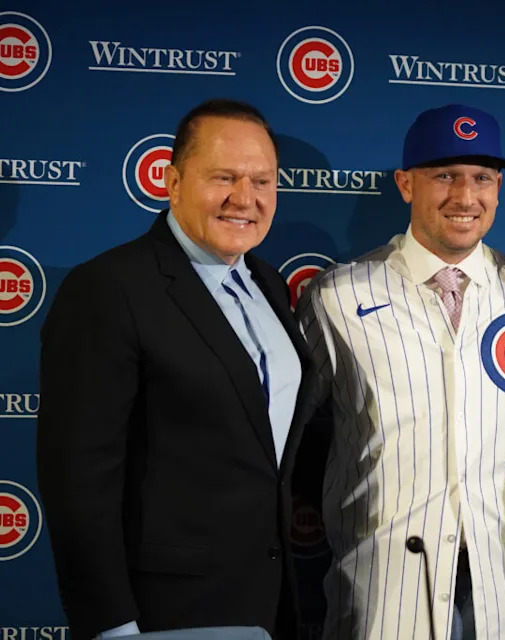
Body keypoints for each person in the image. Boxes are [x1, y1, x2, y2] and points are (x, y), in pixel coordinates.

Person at [37, 99, 318, 640]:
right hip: (163, 612)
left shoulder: (267, 281)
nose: (245, 198)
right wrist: (111, 626)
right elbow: (78, 481)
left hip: (271, 600)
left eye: (262, 181)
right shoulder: (109, 289)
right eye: (223, 177)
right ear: (171, 180)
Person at [296, 104, 505, 640]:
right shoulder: (338, 295)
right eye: (444, 175)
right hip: (380, 589)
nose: (465, 197)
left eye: (482, 178)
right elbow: (295, 441)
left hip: (504, 586)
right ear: (404, 184)